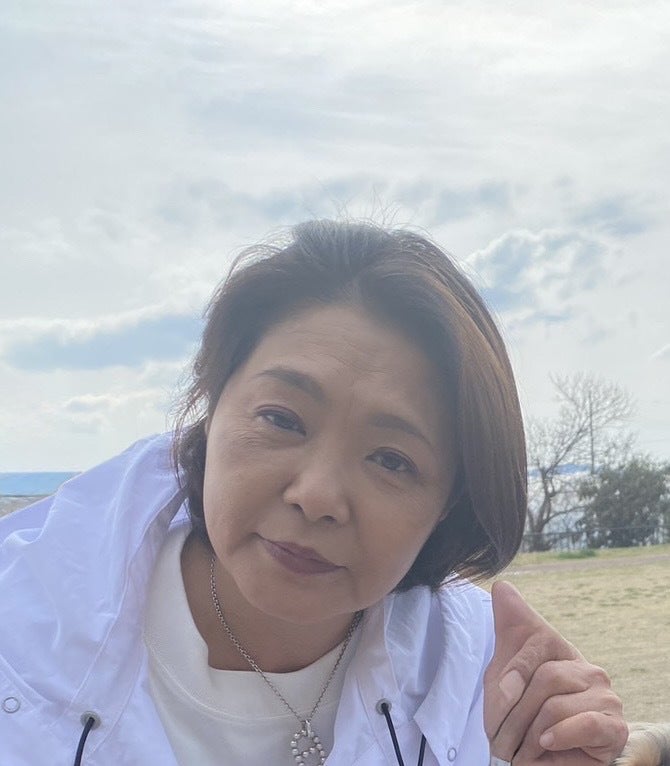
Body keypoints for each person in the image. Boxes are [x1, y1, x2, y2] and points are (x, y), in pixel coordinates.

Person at [0, 220, 629, 765]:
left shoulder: (486, 682)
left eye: (391, 459)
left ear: (449, 505)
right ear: (211, 406)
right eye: (281, 418)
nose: (318, 496)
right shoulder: (22, 620)